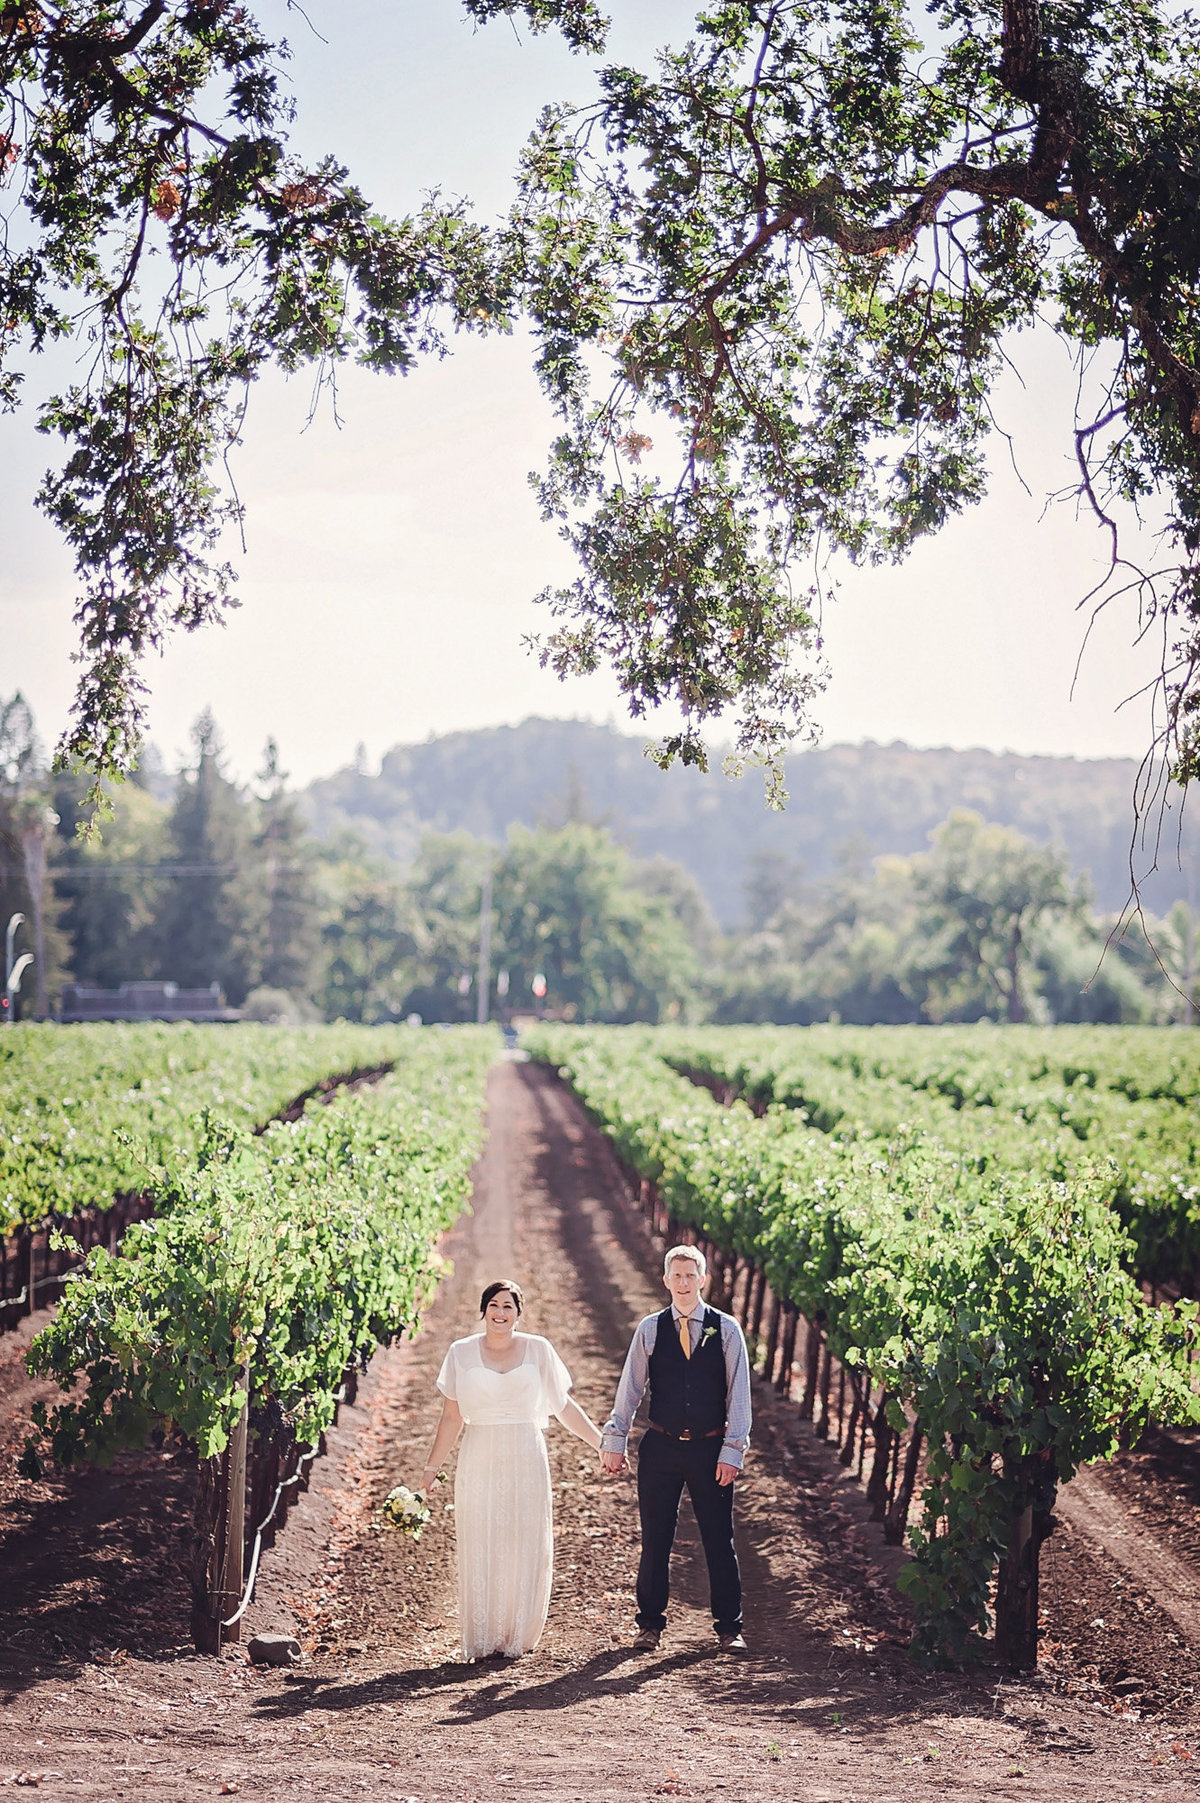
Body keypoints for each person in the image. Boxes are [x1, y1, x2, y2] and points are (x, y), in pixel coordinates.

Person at [421, 1279, 603, 1662]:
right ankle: (484, 1635)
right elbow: (451, 1417)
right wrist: (431, 1467)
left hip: (524, 1453)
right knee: (482, 1539)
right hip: (480, 1453)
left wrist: (602, 1443)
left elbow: (564, 1407)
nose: (500, 1313)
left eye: (508, 1306)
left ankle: (517, 1633)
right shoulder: (460, 1352)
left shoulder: (538, 1350)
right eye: (494, 1305)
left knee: (522, 1541)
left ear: (519, 1314)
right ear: (483, 1309)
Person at [600, 1244, 751, 1653]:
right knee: (656, 1539)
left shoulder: (727, 1329)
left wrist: (732, 1451)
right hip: (660, 1447)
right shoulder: (650, 1329)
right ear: (666, 1280)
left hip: (709, 1448)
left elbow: (739, 1394)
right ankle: (649, 1625)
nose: (684, 1283)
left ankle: (729, 1628)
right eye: (677, 1276)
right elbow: (629, 1388)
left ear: (703, 1279)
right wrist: (616, 1438)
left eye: (691, 1275)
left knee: (719, 1538)